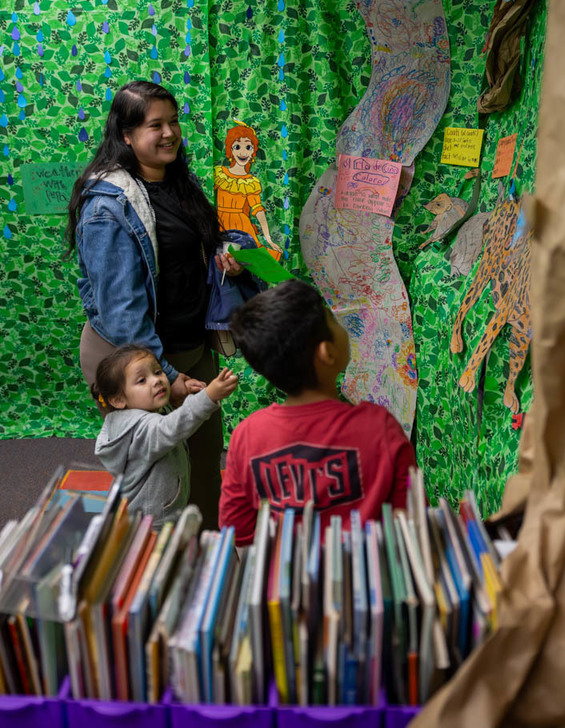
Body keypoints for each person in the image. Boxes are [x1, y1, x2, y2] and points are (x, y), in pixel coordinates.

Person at [65, 80, 240, 529]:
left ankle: (202, 556)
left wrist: (225, 257)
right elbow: (122, 311)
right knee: (159, 479)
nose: (169, 133)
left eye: (174, 122)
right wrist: (165, 375)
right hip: (136, 359)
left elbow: (191, 249)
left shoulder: (177, 183)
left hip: (187, 347)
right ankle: (155, 566)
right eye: (155, 125)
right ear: (125, 135)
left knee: (201, 465)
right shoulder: (109, 204)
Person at [218, 279, 416, 545]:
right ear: (327, 353)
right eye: (332, 319)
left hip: (287, 585)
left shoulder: (246, 436)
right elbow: (412, 521)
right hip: (370, 581)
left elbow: (237, 530)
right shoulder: (379, 427)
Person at [93, 344, 238, 529]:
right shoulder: (140, 430)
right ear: (118, 400)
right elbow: (170, 427)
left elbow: (169, 419)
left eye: (157, 372)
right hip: (152, 522)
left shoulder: (144, 409)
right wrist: (208, 397)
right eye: (141, 380)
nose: (156, 381)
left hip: (158, 512)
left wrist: (185, 392)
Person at [213, 121, 282, 261]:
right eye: (237, 146)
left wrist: (268, 239)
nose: (243, 152)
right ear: (230, 150)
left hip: (242, 226)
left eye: (248, 147)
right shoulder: (220, 174)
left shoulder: (250, 182)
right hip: (219, 222)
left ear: (253, 151)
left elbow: (258, 210)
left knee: (246, 264)